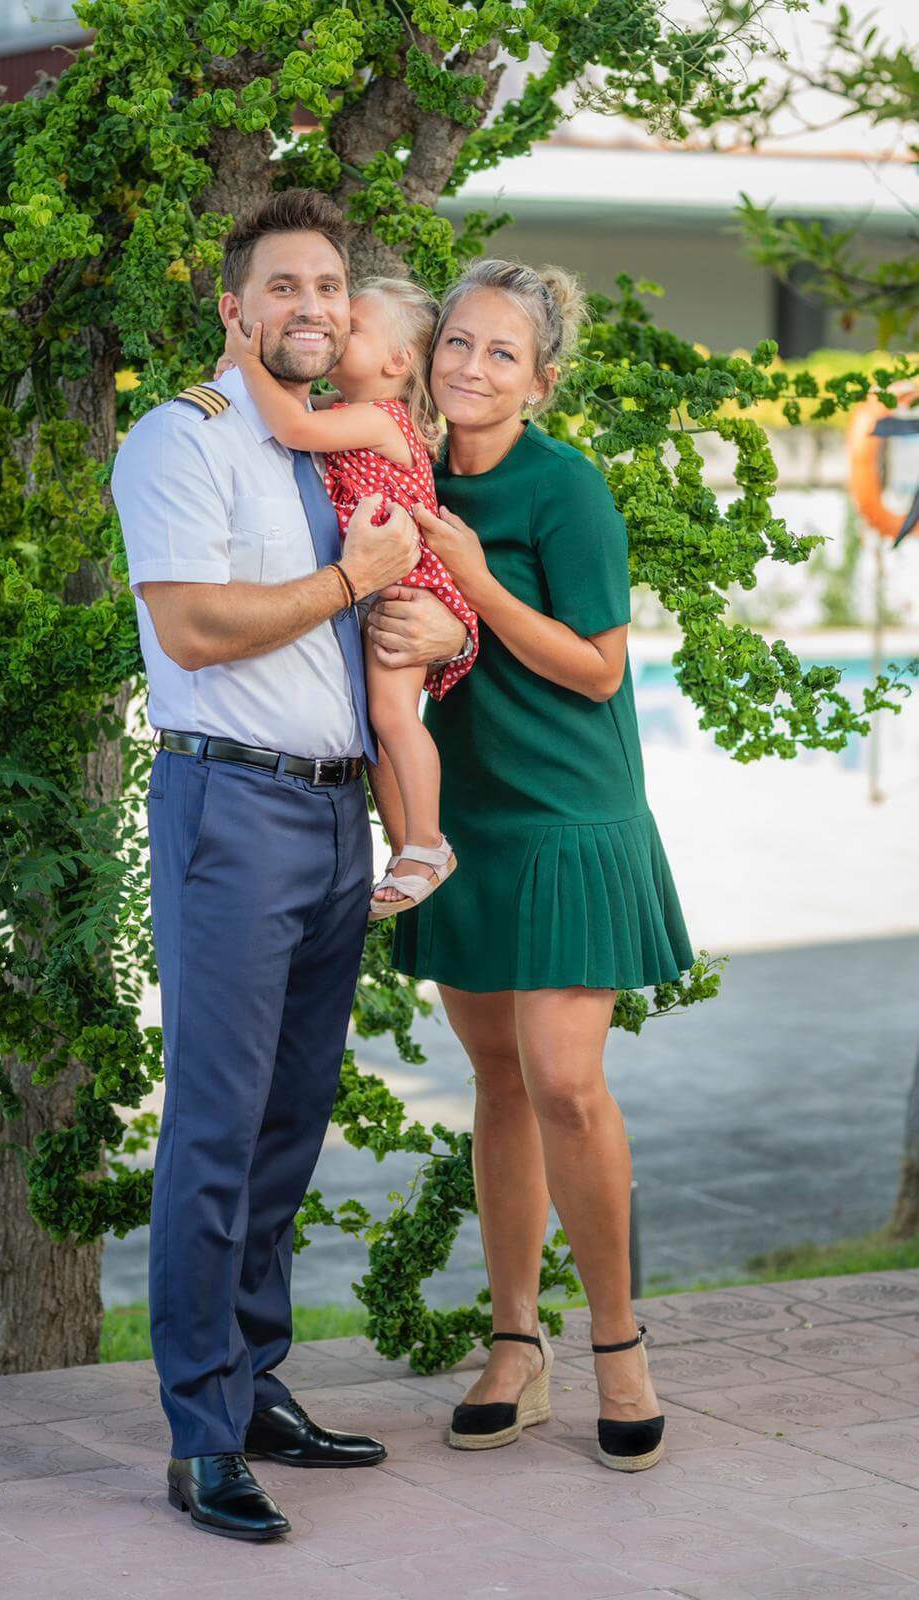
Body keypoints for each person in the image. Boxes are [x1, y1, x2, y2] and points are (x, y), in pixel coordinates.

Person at [110, 188, 470, 1542]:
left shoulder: (324, 456)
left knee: (284, 1123)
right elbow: (198, 629)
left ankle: (253, 1383)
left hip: (332, 819)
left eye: (329, 287)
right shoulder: (184, 442)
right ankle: (200, 1438)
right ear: (233, 309)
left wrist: (437, 630)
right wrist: (350, 579)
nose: (312, 308)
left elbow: (399, 616)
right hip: (231, 814)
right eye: (284, 288)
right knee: (213, 1130)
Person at [386, 258, 696, 1471]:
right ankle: (516, 1346)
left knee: (564, 1079)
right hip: (468, 815)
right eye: (456, 343)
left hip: (569, 812)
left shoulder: (565, 489)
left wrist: (473, 591)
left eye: (499, 354)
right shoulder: (397, 474)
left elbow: (601, 666)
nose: (468, 368)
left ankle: (618, 1344)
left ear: (542, 380)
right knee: (500, 1084)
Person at [222, 277, 479, 922]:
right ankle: (406, 844)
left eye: (354, 327)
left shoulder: (381, 417)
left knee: (394, 720)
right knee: (377, 728)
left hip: (406, 589)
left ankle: (428, 842)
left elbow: (287, 426)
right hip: (379, 585)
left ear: (396, 363)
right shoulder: (344, 407)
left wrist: (249, 358)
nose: (337, 330)